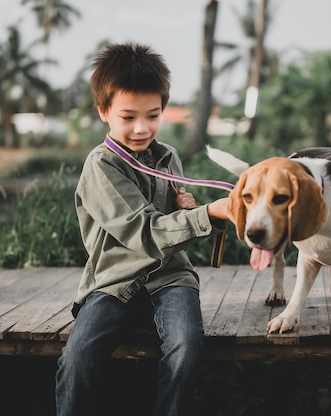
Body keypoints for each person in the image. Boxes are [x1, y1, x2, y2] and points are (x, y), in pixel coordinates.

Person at [55, 43, 229, 416]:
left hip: (171, 276)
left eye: (153, 115)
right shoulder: (101, 165)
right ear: (104, 112)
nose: (141, 128)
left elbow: (177, 230)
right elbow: (145, 232)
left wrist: (196, 211)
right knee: (77, 359)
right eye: (128, 117)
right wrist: (210, 214)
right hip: (114, 280)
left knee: (186, 348)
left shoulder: (167, 157)